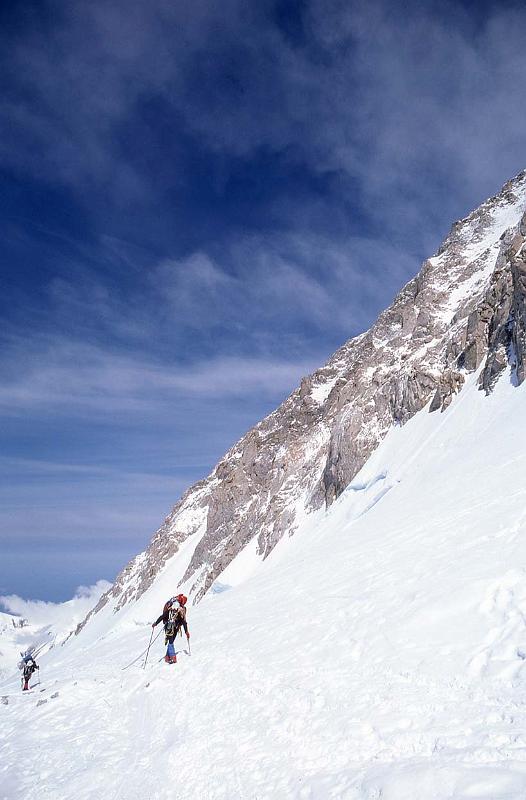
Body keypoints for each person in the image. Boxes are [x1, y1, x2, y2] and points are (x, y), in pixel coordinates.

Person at [152, 594, 190, 664]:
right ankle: (170, 657)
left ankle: (171, 657)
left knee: (171, 641)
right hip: (176, 627)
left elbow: (162, 617)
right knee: (171, 641)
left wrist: (156, 623)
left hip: (169, 627)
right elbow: (184, 622)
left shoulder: (170, 611)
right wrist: (186, 631)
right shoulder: (179, 611)